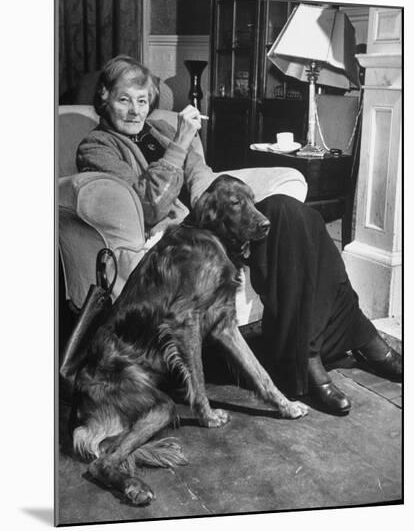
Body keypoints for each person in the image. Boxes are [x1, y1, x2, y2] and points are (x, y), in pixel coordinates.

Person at [76, 55, 401, 416]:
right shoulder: (98, 147)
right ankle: (339, 347)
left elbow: (204, 184)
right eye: (124, 100)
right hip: (179, 251)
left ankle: (324, 346)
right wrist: (182, 144)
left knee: (296, 216)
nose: (135, 111)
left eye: (141, 101)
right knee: (293, 222)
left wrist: (226, 203)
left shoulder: (162, 130)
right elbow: (151, 205)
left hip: (209, 233)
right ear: (104, 96)